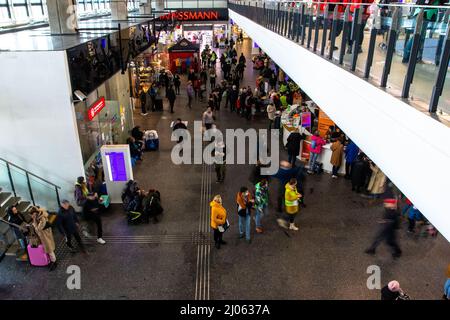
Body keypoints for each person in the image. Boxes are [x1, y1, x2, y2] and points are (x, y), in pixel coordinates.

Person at [30, 206, 57, 271]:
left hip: (45, 236)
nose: (31, 216)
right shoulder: (39, 215)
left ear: (34, 213)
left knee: (49, 249)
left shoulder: (42, 218)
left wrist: (34, 223)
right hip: (45, 235)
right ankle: (52, 260)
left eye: (31, 214)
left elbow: (38, 229)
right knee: (49, 248)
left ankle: (54, 262)